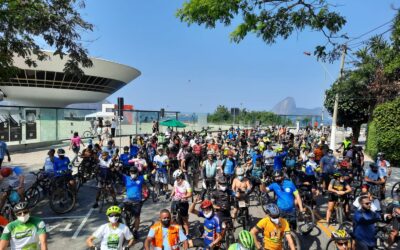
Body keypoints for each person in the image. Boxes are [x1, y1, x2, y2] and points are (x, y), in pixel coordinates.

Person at [122, 166, 147, 239]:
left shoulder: (141, 178)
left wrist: (156, 168)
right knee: (122, 213)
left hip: (137, 201)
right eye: (131, 172)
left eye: (134, 172)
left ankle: (135, 231)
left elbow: (149, 175)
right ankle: (125, 225)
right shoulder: (126, 178)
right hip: (127, 200)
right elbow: (118, 173)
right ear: (129, 173)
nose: (133, 174)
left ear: (137, 173)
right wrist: (114, 168)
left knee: (137, 217)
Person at [170, 169, 192, 235]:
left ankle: (187, 234)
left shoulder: (186, 183)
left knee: (184, 220)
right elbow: (174, 189)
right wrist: (171, 195)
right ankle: (176, 231)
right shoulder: (175, 182)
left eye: (178, 177)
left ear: (181, 176)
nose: (177, 179)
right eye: (176, 178)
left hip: (183, 202)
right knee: (173, 217)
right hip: (175, 201)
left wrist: (184, 197)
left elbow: (190, 193)